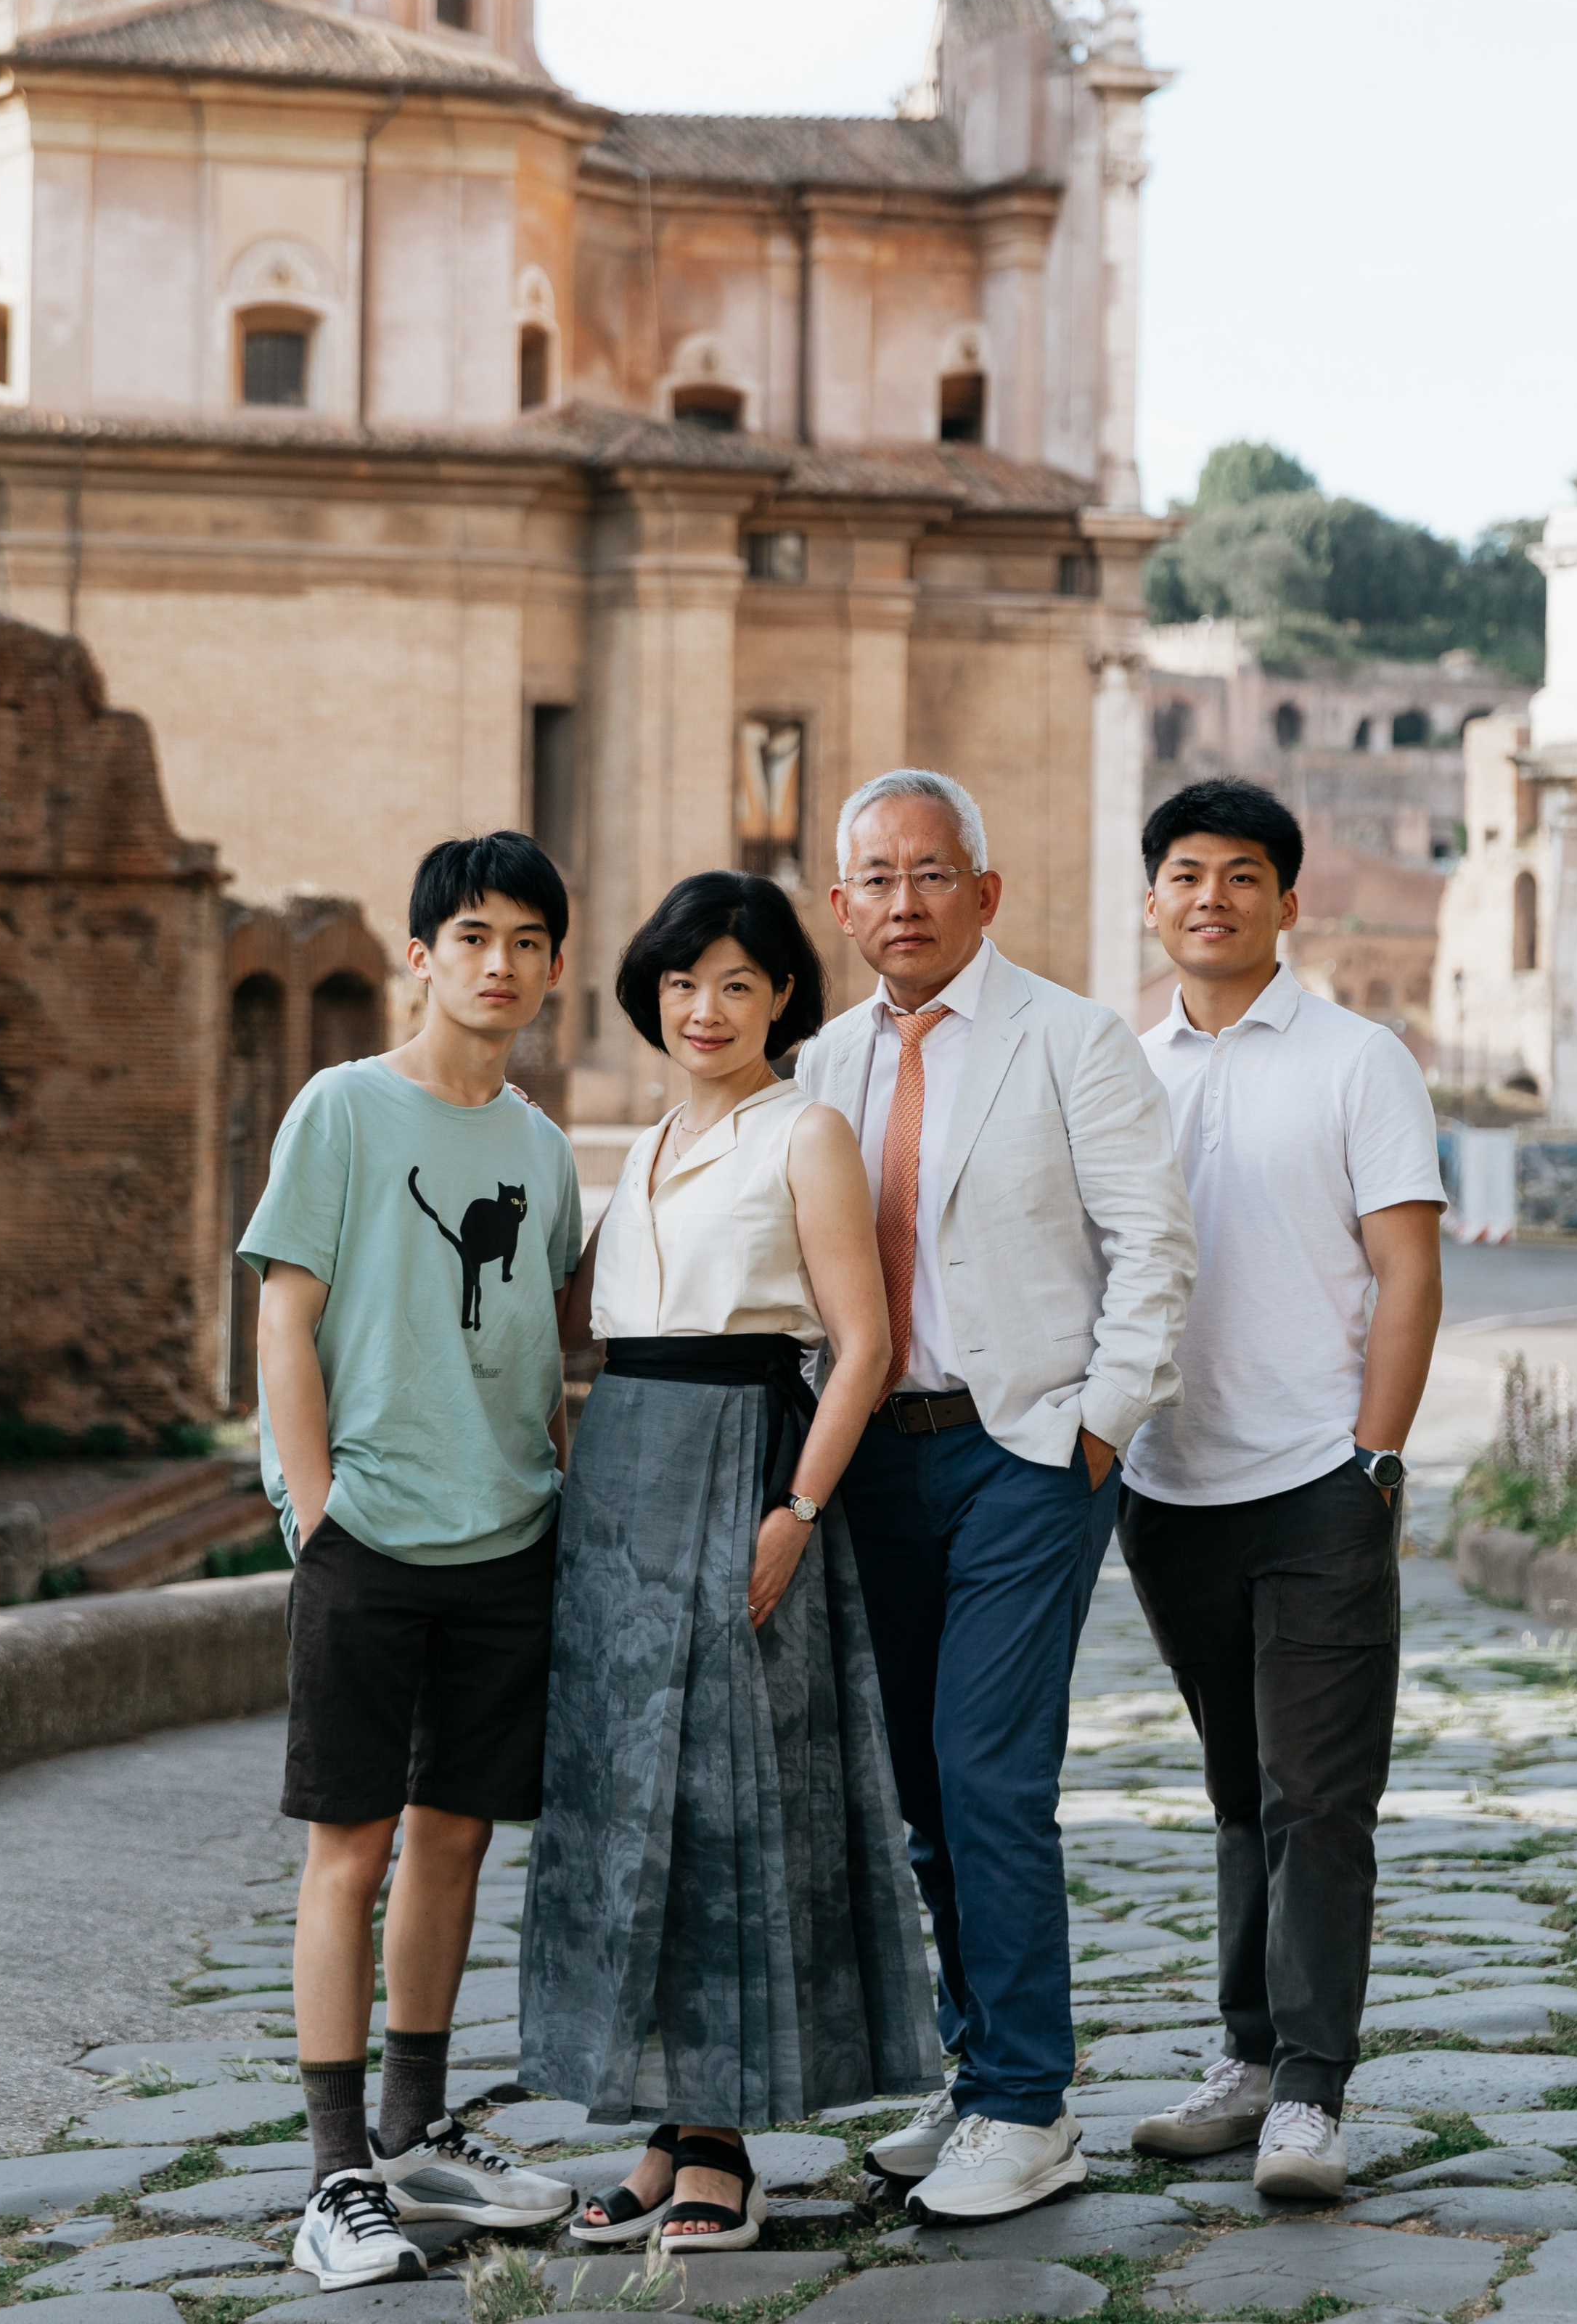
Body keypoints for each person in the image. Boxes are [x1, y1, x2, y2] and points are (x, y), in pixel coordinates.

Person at [793, 768, 1198, 2224]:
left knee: (984, 1774)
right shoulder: (819, 1065)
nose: (902, 903)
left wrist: (1094, 1431)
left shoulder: (1071, 1041)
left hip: (1024, 1453)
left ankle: (1029, 2104)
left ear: (984, 889)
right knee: (918, 1790)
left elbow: (1153, 1249)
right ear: (839, 907)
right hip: (871, 1466)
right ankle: (975, 2078)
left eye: (928, 874)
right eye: (874, 881)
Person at [520, 871, 943, 2251]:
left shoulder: (805, 1133)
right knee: (621, 1800)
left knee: (719, 1800)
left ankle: (722, 2144)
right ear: (651, 991)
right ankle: (662, 2125)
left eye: (741, 983)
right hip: (622, 1474)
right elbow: (577, 1331)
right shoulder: (637, 1146)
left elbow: (863, 1343)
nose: (707, 1008)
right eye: (685, 981)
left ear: (782, 1001)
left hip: (741, 1459)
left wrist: (794, 1510)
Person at [239, 833, 587, 2291]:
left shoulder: (543, 1146)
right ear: (420, 955)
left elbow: (549, 1342)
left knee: (453, 1841)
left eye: (522, 940)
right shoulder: (341, 1110)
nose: (494, 962)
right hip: (369, 1538)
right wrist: (312, 1508)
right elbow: (285, 1317)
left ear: (553, 970)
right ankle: (333, 2177)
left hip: (505, 1538)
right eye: (468, 935)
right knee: (352, 1850)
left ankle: (416, 2128)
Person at [1121, 777, 1445, 2201]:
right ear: (1153, 902)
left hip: (1317, 1473)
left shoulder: (1355, 1058)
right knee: (1234, 1786)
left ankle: (1309, 2093)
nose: (1210, 897)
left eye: (1240, 875)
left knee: (1317, 1790)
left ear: (1284, 901)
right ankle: (1246, 2057)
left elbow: (1407, 1267)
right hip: (1164, 1484)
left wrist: (1374, 1452)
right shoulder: (1122, 1073)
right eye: (1185, 873)